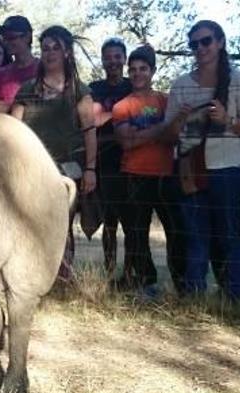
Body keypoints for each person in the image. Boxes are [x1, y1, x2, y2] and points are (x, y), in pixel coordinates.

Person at [165, 20, 240, 300]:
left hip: (227, 170)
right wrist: (180, 119)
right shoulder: (180, 85)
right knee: (194, 237)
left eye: (206, 41)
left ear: (220, 42)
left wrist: (227, 120)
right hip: (190, 171)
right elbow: (169, 135)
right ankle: (193, 298)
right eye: (194, 44)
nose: (200, 48)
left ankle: (239, 298)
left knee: (229, 235)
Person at [11, 25, 97, 283]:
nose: (49, 53)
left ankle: (62, 278)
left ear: (67, 53)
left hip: (67, 170)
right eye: (45, 48)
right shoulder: (27, 89)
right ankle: (29, 278)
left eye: (55, 48)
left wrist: (91, 169)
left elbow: (90, 131)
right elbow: (13, 130)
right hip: (30, 170)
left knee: (62, 224)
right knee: (28, 222)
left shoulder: (80, 91)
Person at [112, 45, 187, 296]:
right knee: (136, 233)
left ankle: (181, 282)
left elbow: (175, 137)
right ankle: (146, 283)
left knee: (176, 232)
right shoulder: (122, 106)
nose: (137, 74)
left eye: (143, 69)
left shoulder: (166, 101)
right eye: (132, 69)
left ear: (152, 71)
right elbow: (126, 141)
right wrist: (161, 130)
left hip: (166, 175)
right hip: (134, 174)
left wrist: (144, 134)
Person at [89, 38, 133, 278]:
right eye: (108, 57)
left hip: (130, 161)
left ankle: (129, 273)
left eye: (117, 56)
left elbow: (145, 113)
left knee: (131, 222)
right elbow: (94, 120)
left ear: (124, 59)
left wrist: (111, 116)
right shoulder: (95, 88)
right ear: (103, 60)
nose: (113, 62)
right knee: (109, 223)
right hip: (104, 162)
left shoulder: (133, 86)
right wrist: (124, 113)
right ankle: (108, 271)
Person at [0, 15, 39, 113]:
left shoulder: (45, 68)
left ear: (27, 37)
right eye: (4, 38)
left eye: (11, 38)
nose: (6, 42)